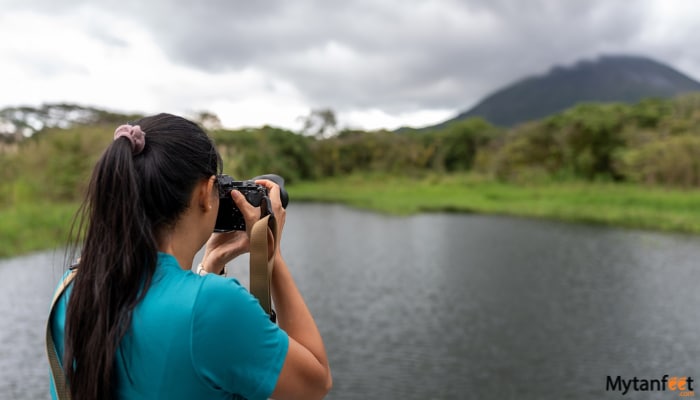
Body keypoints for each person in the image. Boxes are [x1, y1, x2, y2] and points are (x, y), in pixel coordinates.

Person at [48, 113, 332, 400]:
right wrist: (272, 257)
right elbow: (315, 383)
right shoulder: (214, 305)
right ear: (205, 191)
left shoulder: (71, 288)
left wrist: (209, 267)